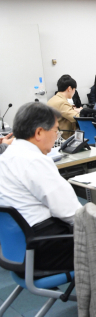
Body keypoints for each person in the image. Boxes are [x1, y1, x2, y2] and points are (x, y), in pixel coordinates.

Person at [0, 102, 82, 271]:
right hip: (43, 249)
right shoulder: (34, 161)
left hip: (17, 248)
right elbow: (71, 213)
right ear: (39, 132)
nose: (57, 135)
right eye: (55, 130)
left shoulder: (8, 156)